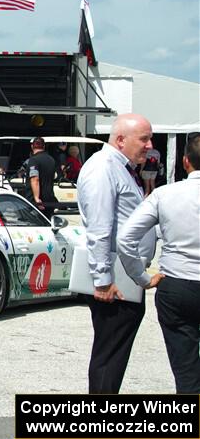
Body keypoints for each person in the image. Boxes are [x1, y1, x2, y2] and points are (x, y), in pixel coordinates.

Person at [76, 113, 155, 394]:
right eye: (144, 139)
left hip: (124, 277)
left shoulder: (119, 168)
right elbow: (99, 228)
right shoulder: (103, 168)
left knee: (113, 355)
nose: (149, 145)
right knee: (109, 356)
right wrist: (102, 280)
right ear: (120, 140)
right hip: (114, 282)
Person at [117, 132, 200, 393]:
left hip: (177, 283)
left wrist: (140, 277)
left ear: (185, 161)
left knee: (186, 370)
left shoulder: (164, 194)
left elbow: (126, 238)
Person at [26, 137, 57, 219]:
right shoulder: (51, 160)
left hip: (37, 200)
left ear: (32, 146)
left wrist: (36, 198)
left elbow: (34, 179)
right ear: (44, 146)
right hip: (49, 198)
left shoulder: (34, 160)